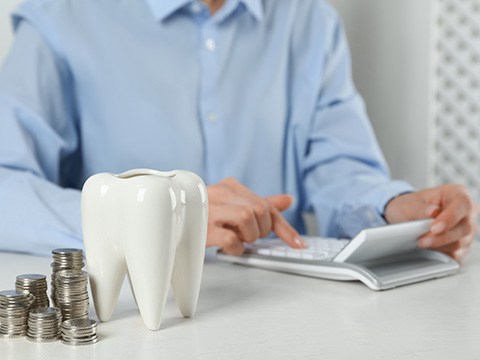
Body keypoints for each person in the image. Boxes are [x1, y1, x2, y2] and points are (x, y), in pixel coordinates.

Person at [0, 0, 477, 258]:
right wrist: (147, 218)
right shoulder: (60, 18)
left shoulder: (309, 21)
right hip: (134, 321)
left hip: (286, 317)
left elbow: (339, 169)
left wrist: (396, 208)